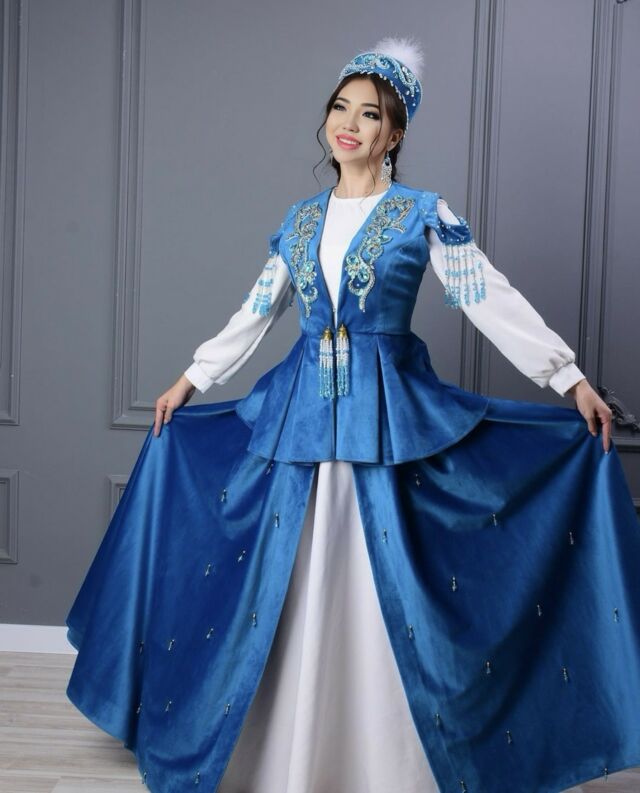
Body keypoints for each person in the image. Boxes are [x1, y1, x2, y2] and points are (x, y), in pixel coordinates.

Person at [65, 37, 640, 793]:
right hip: (300, 416)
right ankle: (284, 746)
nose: (349, 124)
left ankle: (389, 754)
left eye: (370, 114)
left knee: (383, 575)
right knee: (288, 574)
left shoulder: (421, 215)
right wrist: (189, 381)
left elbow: (488, 299)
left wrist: (568, 379)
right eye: (341, 107)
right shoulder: (301, 220)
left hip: (389, 414)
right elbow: (257, 311)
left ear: (394, 133)